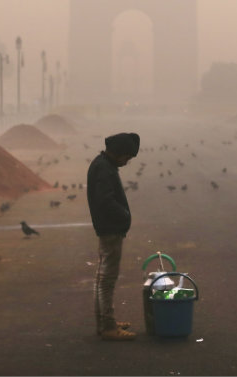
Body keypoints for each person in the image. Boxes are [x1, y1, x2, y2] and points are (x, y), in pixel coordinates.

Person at [87, 132, 140, 341]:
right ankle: (108, 326)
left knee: (103, 278)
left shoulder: (103, 165)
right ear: (119, 153)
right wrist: (124, 215)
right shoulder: (104, 169)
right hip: (110, 230)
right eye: (127, 157)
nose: (126, 162)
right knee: (106, 279)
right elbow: (105, 201)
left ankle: (105, 321)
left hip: (109, 228)